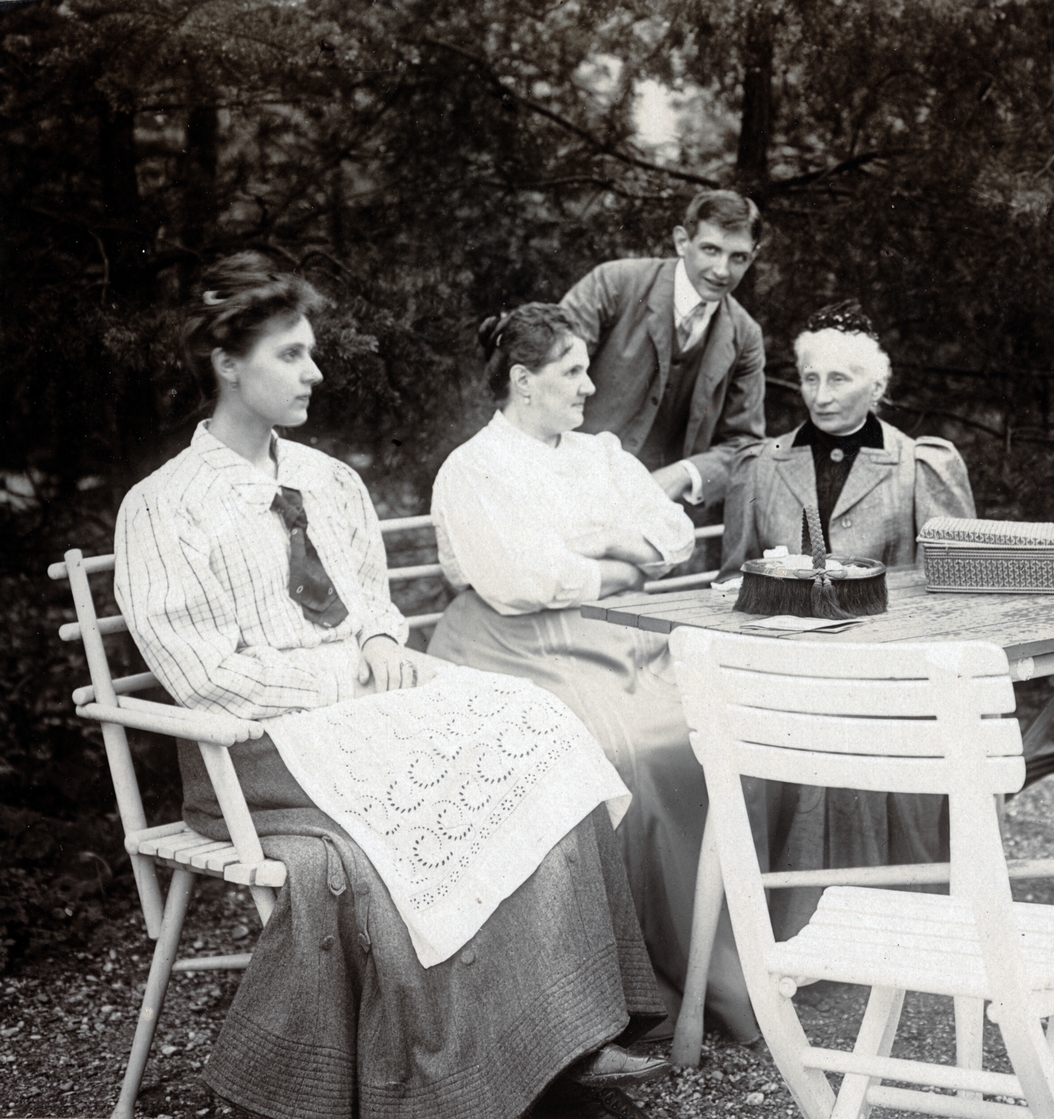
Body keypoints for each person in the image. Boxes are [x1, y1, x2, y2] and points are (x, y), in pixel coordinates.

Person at [113, 254, 667, 1119]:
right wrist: (345, 672)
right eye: (291, 354)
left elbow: (373, 602)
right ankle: (455, 1077)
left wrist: (376, 636)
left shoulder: (329, 481)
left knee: (544, 731)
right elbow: (204, 675)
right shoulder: (163, 506)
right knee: (430, 828)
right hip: (256, 750)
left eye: (312, 352)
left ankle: (558, 1038)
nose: (314, 372)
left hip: (368, 720)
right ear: (226, 363)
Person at [426, 303, 761, 1045]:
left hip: (615, 639)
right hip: (509, 648)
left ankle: (730, 954)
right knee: (624, 752)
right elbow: (520, 581)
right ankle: (631, 983)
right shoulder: (475, 469)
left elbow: (672, 537)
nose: (589, 386)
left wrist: (600, 543)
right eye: (572, 372)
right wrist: (617, 565)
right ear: (524, 381)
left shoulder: (599, 454)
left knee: (714, 728)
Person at [720, 300, 977, 938]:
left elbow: (955, 592)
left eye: (840, 379)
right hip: (784, 674)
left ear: (877, 386)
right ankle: (794, 928)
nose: (822, 395)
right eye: (811, 378)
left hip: (889, 676)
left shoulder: (920, 463)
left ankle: (891, 925)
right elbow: (733, 583)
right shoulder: (762, 465)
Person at [559, 189, 766, 514]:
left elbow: (745, 446)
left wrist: (683, 474)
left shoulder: (746, 336)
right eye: (710, 250)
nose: (722, 270)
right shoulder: (614, 284)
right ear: (682, 241)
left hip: (659, 513)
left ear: (751, 258)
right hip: (567, 487)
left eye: (737, 257)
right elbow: (548, 376)